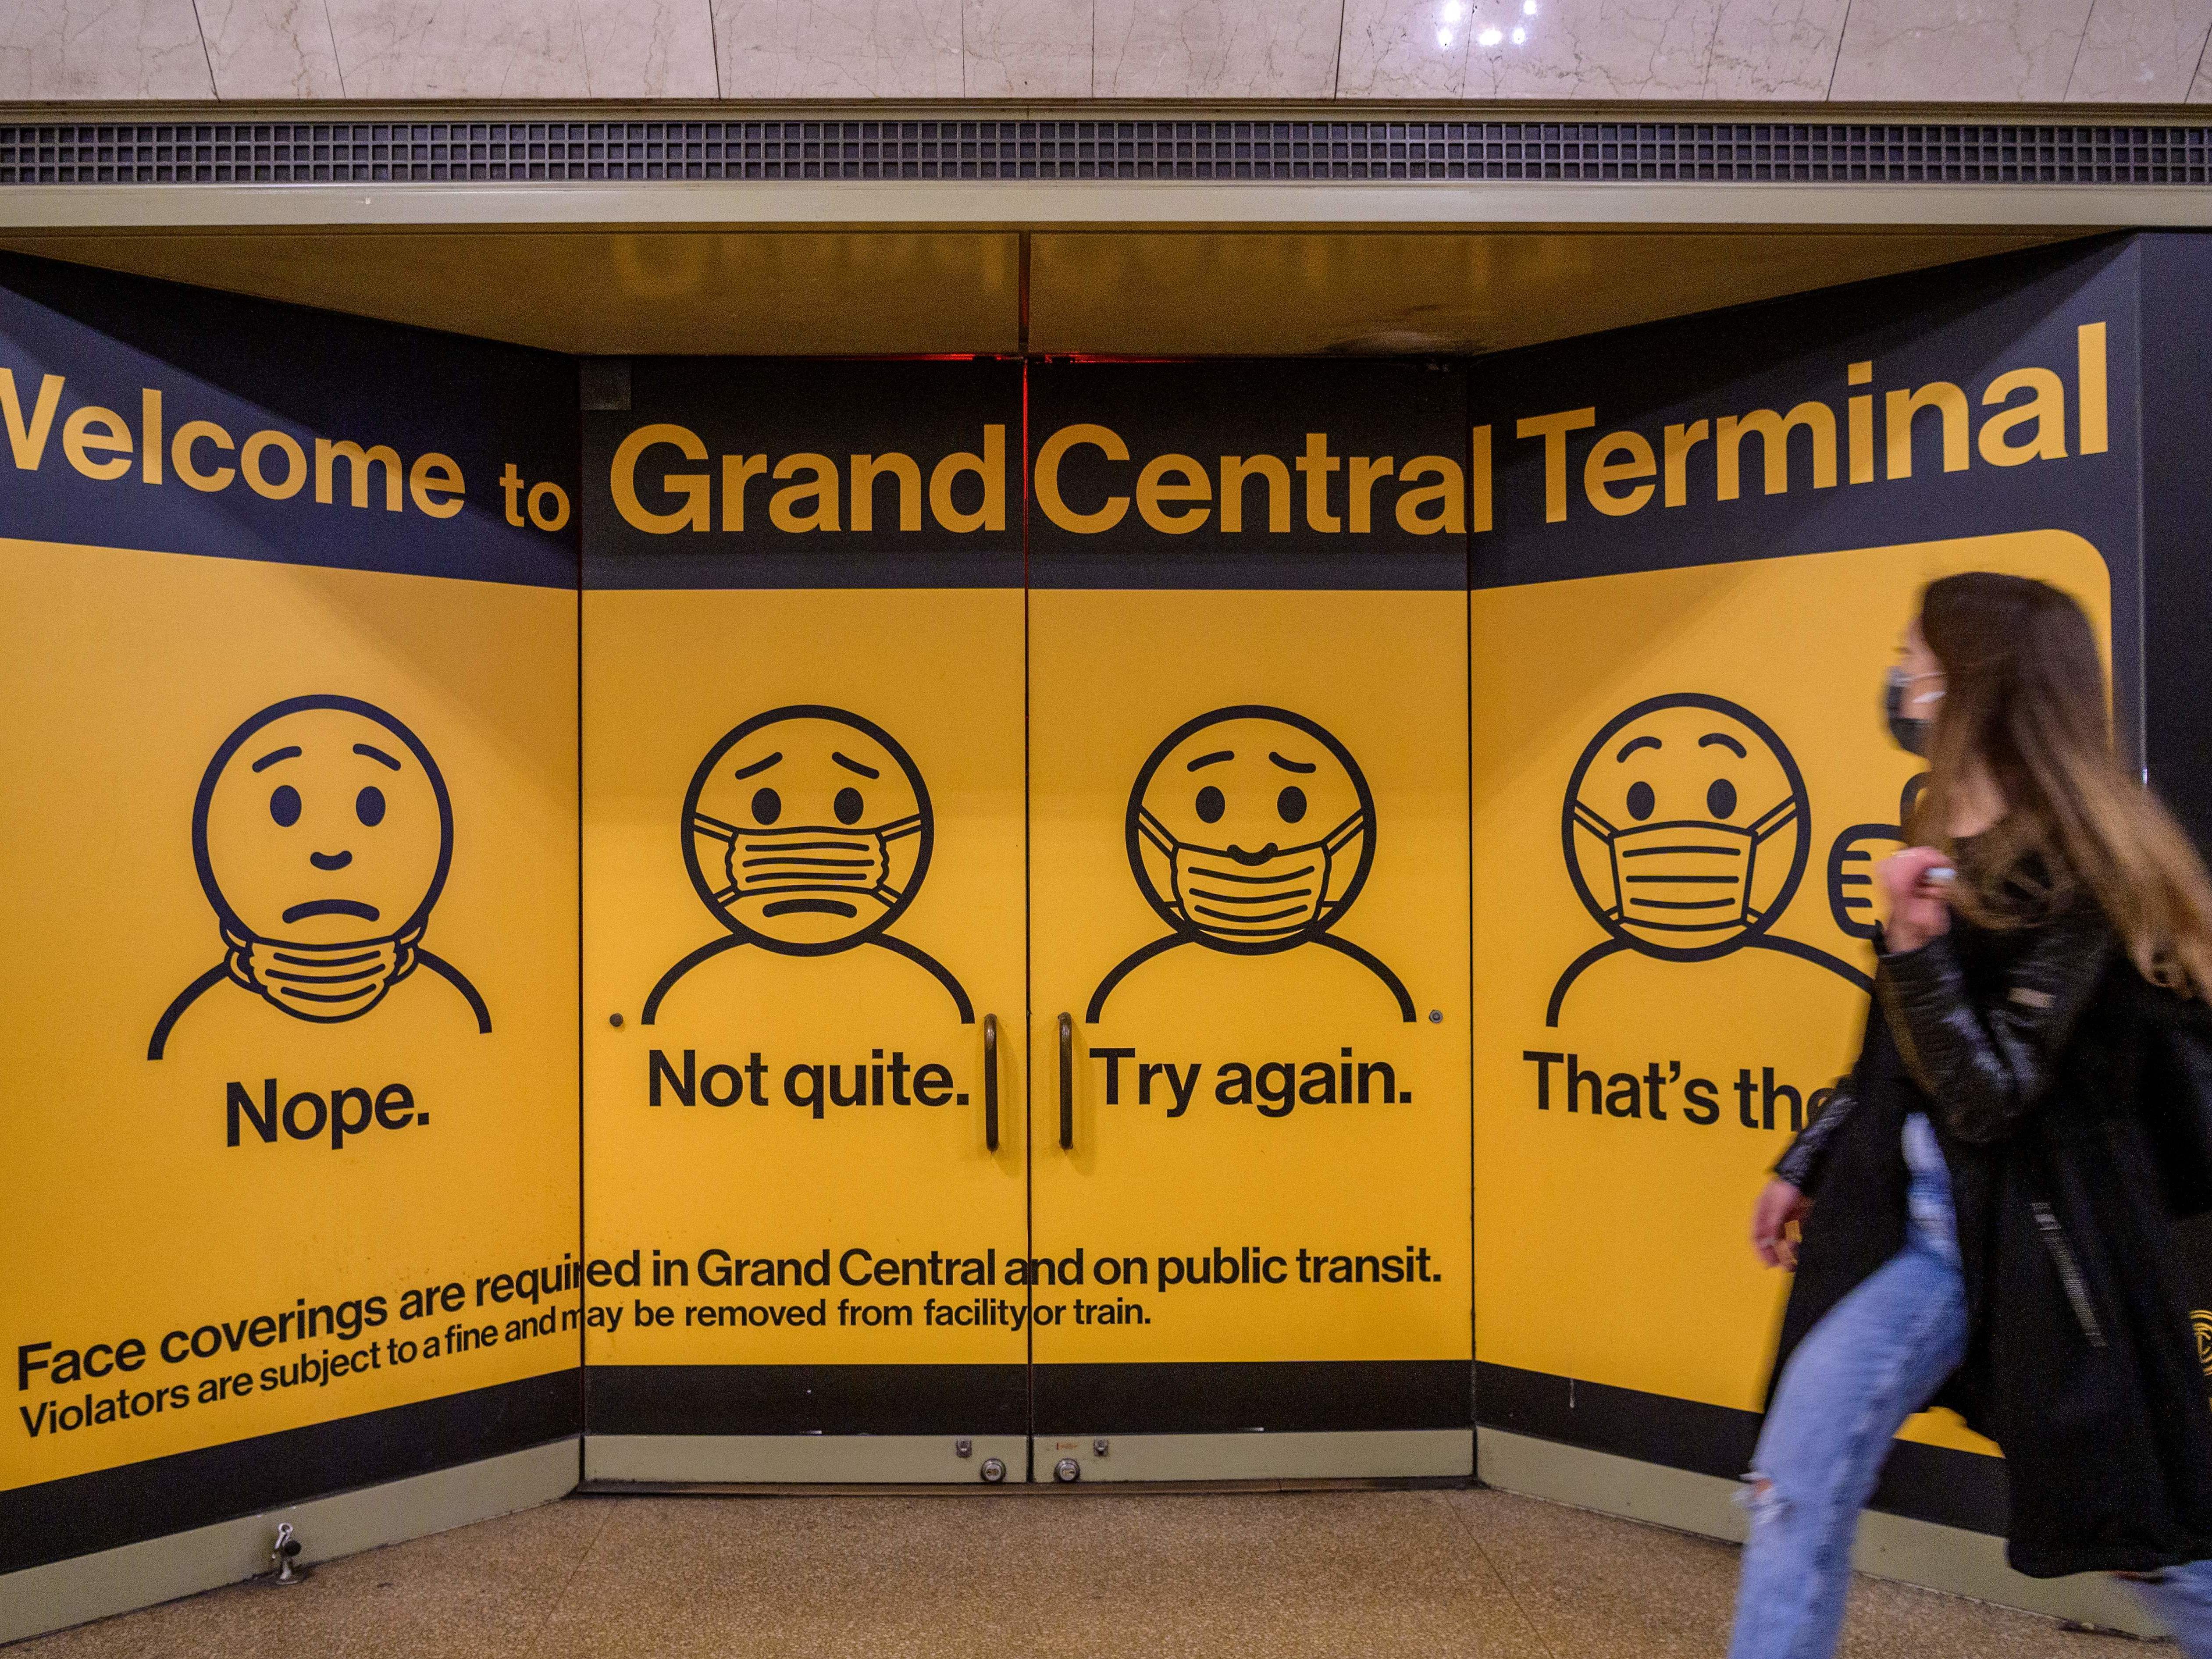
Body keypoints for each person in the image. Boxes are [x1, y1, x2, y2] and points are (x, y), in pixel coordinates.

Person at [1730, 571, 2212, 1659]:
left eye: (1916, 651)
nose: (1901, 672)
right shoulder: (1941, 826)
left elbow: (1992, 1098)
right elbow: (1888, 1052)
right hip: (1921, 1241)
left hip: (2049, 1255)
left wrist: (1917, 945)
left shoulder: (2085, 867)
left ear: (1971, 680)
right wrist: (1805, 1157)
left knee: (2149, 1542)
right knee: (1791, 1482)